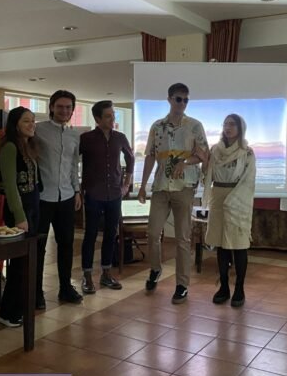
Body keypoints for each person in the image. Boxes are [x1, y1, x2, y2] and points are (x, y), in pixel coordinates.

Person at [138, 83, 208, 304]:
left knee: (182, 238)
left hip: (184, 187)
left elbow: (204, 155)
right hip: (160, 186)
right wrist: (142, 185)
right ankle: (155, 269)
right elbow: (150, 155)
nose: (182, 103)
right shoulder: (157, 126)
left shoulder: (195, 126)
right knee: (152, 233)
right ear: (169, 99)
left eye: (186, 100)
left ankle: (182, 285)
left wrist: (185, 162)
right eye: (179, 99)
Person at [201, 114, 256, 308]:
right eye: (225, 124)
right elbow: (207, 175)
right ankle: (223, 287)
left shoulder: (247, 152)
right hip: (218, 197)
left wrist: (233, 200)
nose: (228, 127)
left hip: (238, 200)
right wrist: (203, 164)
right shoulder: (215, 150)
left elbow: (249, 180)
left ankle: (239, 288)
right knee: (221, 245)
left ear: (240, 128)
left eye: (232, 124)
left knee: (239, 245)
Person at [79, 100, 135, 294]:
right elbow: (71, 159)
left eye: (113, 115)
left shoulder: (120, 137)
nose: (112, 119)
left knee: (111, 234)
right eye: (108, 116)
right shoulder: (86, 138)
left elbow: (130, 158)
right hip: (93, 194)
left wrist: (126, 184)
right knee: (91, 235)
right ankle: (87, 276)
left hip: (114, 194)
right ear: (97, 118)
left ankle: (106, 273)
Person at [35, 90, 83, 305]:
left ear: (72, 110)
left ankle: (65, 288)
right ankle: (36, 292)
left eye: (68, 107)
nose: (64, 111)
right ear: (52, 107)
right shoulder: (38, 130)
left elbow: (73, 166)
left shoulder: (74, 135)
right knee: (39, 246)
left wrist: (76, 191)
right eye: (60, 106)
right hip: (42, 197)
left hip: (66, 197)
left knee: (66, 244)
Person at [0, 106, 41, 327]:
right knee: (18, 263)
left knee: (26, 261)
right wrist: (20, 216)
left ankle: (18, 307)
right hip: (19, 211)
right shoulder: (10, 147)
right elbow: (10, 185)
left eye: (33, 121)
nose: (31, 125)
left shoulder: (29, 146)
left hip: (32, 207)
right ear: (15, 125)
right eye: (26, 121)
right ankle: (7, 312)